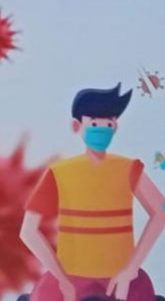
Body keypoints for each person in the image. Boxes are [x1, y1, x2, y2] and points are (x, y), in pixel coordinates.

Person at [20, 84, 165, 301]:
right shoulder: (59, 173)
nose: (102, 129)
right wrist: (61, 277)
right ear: (77, 126)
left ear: (115, 127)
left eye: (109, 123)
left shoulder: (129, 168)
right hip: (71, 276)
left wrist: (130, 270)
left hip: (121, 278)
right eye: (95, 123)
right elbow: (28, 231)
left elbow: (161, 211)